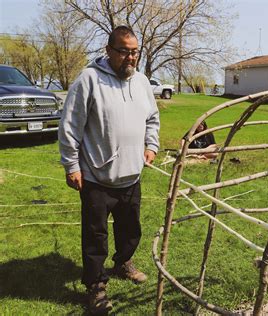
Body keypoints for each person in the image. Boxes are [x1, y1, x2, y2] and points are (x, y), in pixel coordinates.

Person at [58, 26, 160, 314]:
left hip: (131, 175)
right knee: (95, 236)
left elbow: (152, 118)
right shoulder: (89, 80)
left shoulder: (141, 81)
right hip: (96, 177)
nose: (131, 57)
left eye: (135, 51)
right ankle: (95, 286)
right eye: (125, 51)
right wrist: (71, 165)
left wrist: (150, 146)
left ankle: (123, 263)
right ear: (109, 50)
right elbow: (70, 125)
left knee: (130, 230)